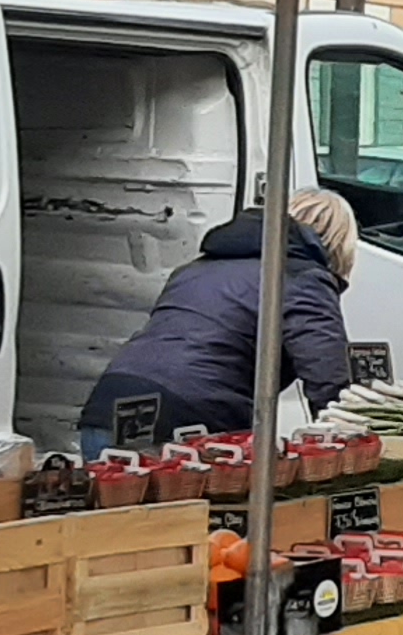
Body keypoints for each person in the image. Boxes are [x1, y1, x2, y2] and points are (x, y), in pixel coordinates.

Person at [79, 190, 360, 455]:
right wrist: (352, 440)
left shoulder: (196, 269)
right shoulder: (301, 278)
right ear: (338, 246)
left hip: (109, 406)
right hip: (188, 421)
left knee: (118, 492)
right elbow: (329, 378)